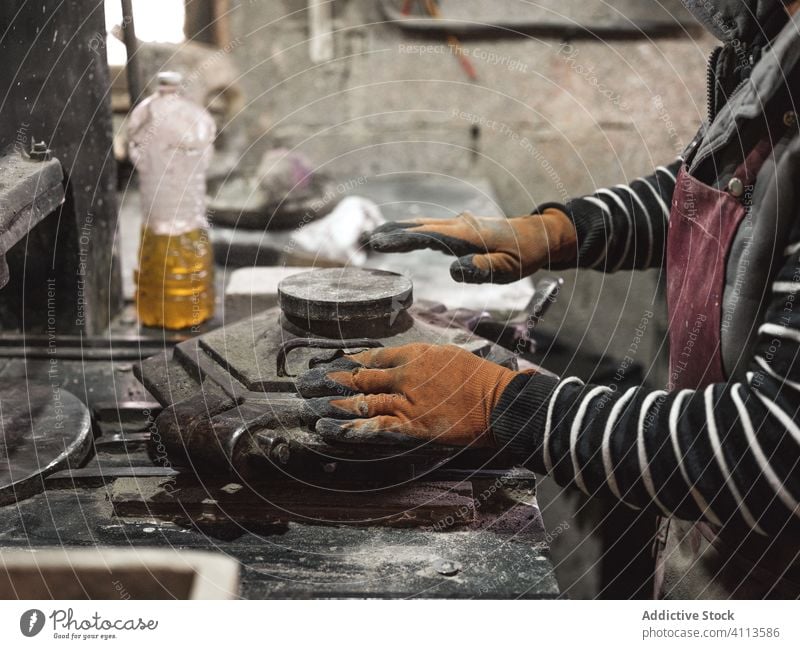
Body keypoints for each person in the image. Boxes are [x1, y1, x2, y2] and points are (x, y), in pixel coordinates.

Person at [297, 0, 800, 598]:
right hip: (716, 544)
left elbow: (769, 453)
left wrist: (500, 404)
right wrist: (557, 231)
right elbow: (725, 186)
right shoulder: (772, 46)